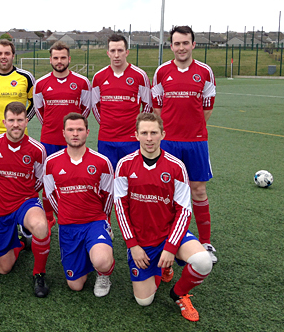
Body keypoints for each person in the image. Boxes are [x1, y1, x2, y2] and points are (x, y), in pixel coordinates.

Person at [113, 113, 212, 322]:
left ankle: (179, 293)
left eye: (154, 133)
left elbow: (184, 210)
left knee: (203, 261)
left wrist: (170, 246)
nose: (149, 138)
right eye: (144, 133)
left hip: (169, 234)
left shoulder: (176, 166)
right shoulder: (124, 165)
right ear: (136, 135)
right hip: (142, 241)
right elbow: (120, 208)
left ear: (162, 134)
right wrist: (132, 245)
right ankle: (162, 266)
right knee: (144, 301)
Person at [151, 26, 218, 263]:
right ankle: (165, 240)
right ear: (171, 46)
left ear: (193, 45)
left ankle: (206, 242)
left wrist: (193, 128)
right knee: (166, 192)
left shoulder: (205, 72)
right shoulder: (161, 72)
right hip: (168, 142)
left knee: (198, 190)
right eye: (177, 43)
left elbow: (207, 107)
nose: (181, 48)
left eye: (185, 43)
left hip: (196, 142)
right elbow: (157, 107)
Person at [0, 102, 51, 298]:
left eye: (20, 120)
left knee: (40, 226)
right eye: (11, 120)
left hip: (25, 202)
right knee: (4, 268)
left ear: (26, 121)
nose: (16, 124)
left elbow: (39, 180)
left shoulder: (37, 149)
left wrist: (24, 192)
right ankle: (20, 242)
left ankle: (39, 273)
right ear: (4, 122)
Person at [43, 113, 116, 297]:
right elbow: (51, 195)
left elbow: (108, 196)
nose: (75, 133)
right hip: (68, 225)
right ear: (64, 133)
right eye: (71, 130)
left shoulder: (102, 162)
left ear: (87, 132)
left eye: (79, 129)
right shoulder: (51, 163)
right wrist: (64, 215)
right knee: (75, 285)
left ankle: (103, 273)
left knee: (102, 261)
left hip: (94, 221)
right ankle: (87, 254)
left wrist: (105, 220)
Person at [0, 39, 35, 231]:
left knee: (20, 174)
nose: (3, 57)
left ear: (13, 55)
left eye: (7, 53)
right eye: (0, 53)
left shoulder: (25, 77)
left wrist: (20, 124)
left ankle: (21, 212)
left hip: (20, 136)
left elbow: (34, 104)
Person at [33, 41, 91, 230]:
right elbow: (39, 110)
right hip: (49, 139)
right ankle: (49, 217)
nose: (59, 61)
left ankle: (76, 214)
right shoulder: (40, 84)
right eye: (56, 58)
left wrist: (72, 131)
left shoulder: (82, 82)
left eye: (63, 58)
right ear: (50, 59)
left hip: (73, 141)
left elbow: (85, 109)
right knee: (47, 179)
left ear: (69, 59)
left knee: (76, 179)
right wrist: (53, 126)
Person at [91, 34, 152, 170]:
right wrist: (106, 123)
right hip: (106, 139)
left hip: (131, 139)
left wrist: (138, 126)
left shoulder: (139, 75)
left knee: (132, 178)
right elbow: (95, 105)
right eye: (113, 51)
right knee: (108, 179)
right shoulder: (98, 77)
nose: (116, 55)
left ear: (127, 52)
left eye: (120, 50)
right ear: (108, 53)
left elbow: (148, 104)